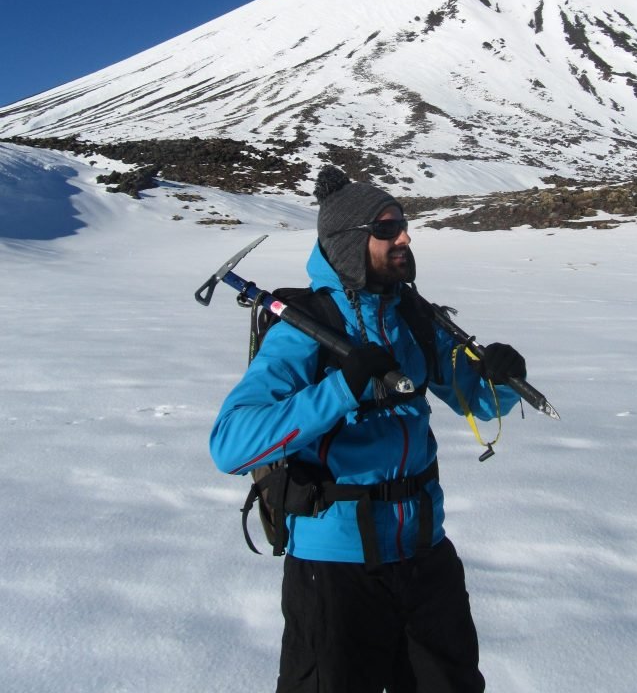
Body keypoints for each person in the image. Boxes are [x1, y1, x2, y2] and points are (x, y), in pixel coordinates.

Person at [209, 165, 527, 693]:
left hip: (425, 557)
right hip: (336, 570)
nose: (403, 236)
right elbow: (231, 443)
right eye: (386, 229)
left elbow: (478, 401)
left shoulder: (414, 318)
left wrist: (504, 376)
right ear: (350, 243)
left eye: (402, 224)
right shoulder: (304, 331)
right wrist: (341, 390)